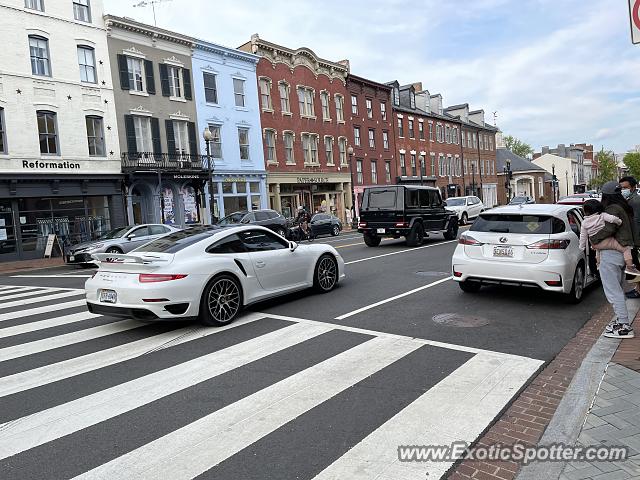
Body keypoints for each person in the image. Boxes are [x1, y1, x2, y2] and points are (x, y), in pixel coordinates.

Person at [597, 181, 636, 339]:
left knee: (613, 291)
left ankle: (624, 325)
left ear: (606, 196)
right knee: (618, 289)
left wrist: (594, 239)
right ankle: (621, 321)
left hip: (612, 253)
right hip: (623, 252)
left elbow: (608, 229)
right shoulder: (624, 207)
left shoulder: (612, 209)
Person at [580, 199, 640, 275]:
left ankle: (598, 264)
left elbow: (583, 236)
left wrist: (582, 247)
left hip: (595, 243)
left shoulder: (584, 223)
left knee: (598, 250)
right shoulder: (602, 215)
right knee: (626, 249)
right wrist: (619, 222)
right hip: (606, 240)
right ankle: (630, 267)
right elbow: (612, 219)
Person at [619, 176, 640, 298]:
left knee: (636, 266)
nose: (623, 190)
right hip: (634, 240)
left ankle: (638, 290)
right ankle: (637, 288)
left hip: (635, 240)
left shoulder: (635, 201)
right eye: (621, 188)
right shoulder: (630, 200)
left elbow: (636, 222)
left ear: (633, 188)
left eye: (625, 188)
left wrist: (635, 242)